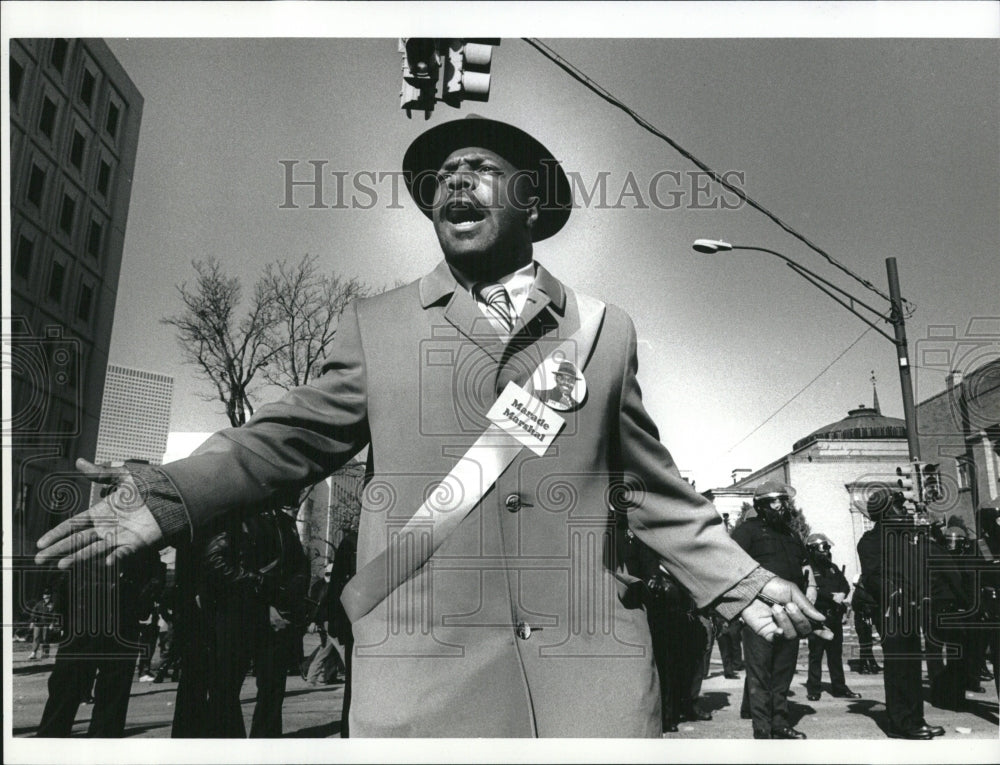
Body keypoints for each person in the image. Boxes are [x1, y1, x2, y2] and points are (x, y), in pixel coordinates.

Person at [36, 115, 826, 738]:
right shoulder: (376, 325)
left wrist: (740, 580)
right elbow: (287, 437)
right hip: (426, 681)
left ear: (532, 200)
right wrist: (169, 495)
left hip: (590, 681)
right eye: (445, 176)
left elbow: (647, 487)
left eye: (480, 170)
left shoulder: (603, 331)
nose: (457, 182)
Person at [171, 505, 308, 738]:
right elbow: (216, 562)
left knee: (272, 689)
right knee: (225, 688)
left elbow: (300, 566)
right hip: (239, 613)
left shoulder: (284, 521)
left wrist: (286, 599)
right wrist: (264, 590)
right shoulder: (234, 516)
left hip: (276, 614)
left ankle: (265, 746)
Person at [36, 549, 163, 737]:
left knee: (80, 691)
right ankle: (54, 743)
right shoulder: (136, 541)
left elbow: (59, 577)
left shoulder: (88, 539)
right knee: (72, 690)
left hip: (104, 622)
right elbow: (59, 575)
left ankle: (58, 742)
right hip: (98, 621)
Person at [731, 481, 817, 739]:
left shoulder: (791, 534)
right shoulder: (747, 531)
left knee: (783, 670)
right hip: (760, 612)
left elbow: (805, 568)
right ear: (761, 505)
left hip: (791, 613)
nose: (781, 506)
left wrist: (811, 590)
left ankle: (780, 722)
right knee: (759, 673)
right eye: (774, 501)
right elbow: (733, 567)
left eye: (783, 501)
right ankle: (762, 727)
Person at [857, 489, 944, 740]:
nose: (904, 510)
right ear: (884, 511)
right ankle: (900, 724)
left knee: (913, 666)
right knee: (899, 667)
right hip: (890, 611)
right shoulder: (871, 541)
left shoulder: (905, 538)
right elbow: (873, 577)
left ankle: (915, 719)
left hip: (912, 608)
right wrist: (897, 594)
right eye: (898, 506)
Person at [804, 533, 860, 702]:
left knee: (835, 655)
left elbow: (844, 584)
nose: (826, 552)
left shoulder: (833, 567)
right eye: (823, 548)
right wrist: (831, 597)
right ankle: (814, 689)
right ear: (813, 549)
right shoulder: (808, 569)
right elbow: (810, 591)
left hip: (834, 617)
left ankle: (839, 687)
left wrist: (842, 593)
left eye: (827, 548)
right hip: (819, 618)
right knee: (816, 655)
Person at [850, 576, 881, 675]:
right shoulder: (861, 592)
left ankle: (870, 664)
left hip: (864, 620)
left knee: (866, 643)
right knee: (865, 643)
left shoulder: (860, 592)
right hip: (862, 620)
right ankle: (864, 665)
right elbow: (870, 603)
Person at [27, 588, 58, 661]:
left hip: (46, 624)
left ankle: (45, 653)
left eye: (46, 594)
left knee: (45, 638)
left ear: (49, 596)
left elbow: (55, 614)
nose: (45, 596)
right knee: (36, 637)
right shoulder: (39, 603)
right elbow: (34, 612)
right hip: (38, 623)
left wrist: (52, 623)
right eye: (44, 594)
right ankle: (33, 653)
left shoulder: (52, 604)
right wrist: (32, 622)